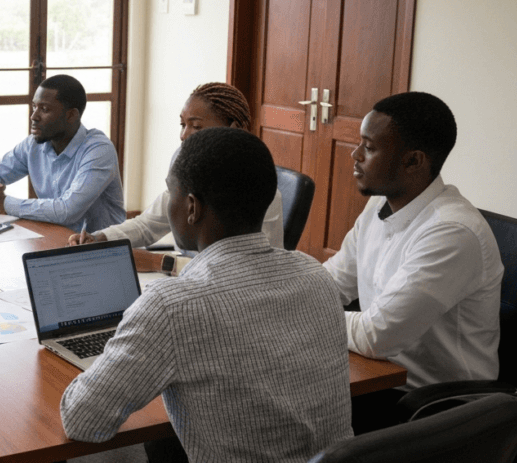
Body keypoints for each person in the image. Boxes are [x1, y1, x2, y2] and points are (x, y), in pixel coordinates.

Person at [59, 127, 352, 462]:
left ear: (192, 208)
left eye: (171, 193)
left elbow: (81, 420)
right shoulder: (316, 275)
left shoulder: (171, 306)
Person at [322, 92, 502, 433]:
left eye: (370, 148)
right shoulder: (377, 208)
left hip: (434, 406)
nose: (355, 155)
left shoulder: (452, 232)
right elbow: (332, 282)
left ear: (414, 161)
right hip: (380, 374)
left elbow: (377, 336)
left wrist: (306, 311)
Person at [68, 82, 284, 256]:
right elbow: (149, 224)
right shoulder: (186, 165)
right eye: (183, 125)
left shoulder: (258, 190)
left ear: (233, 128)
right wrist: (98, 238)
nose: (184, 135)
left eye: (196, 126)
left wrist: (169, 266)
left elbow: (256, 267)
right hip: (189, 277)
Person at [0, 74, 125, 233]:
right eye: (34, 107)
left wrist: (3, 203)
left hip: (101, 250)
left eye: (44, 109)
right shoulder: (33, 144)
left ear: (71, 115)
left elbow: (67, 211)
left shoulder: (99, 150)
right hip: (57, 239)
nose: (34, 116)